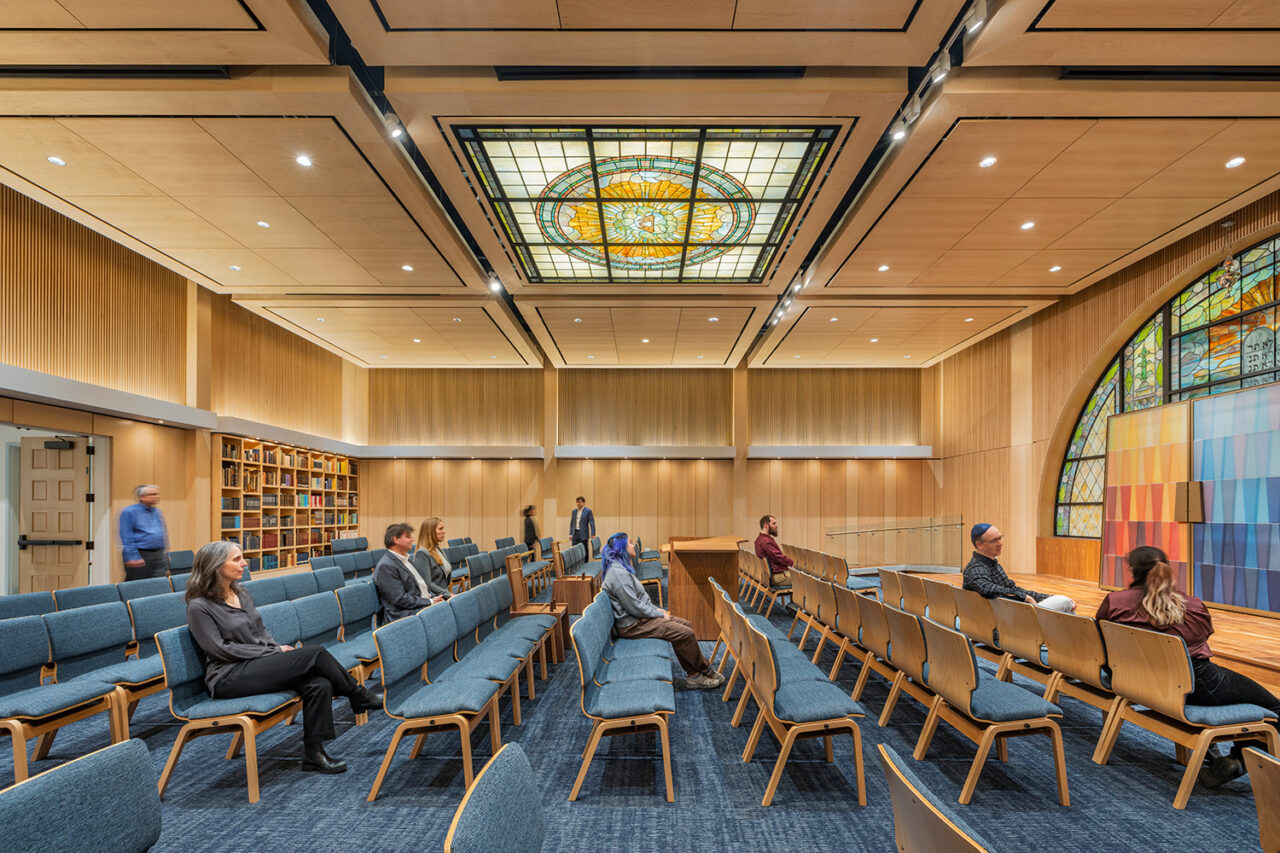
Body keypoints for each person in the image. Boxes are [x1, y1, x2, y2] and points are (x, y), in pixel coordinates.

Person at [185, 540, 382, 774]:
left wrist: (275, 647)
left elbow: (260, 630)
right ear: (216, 566)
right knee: (315, 653)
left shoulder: (241, 593)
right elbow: (220, 649)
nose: (244, 564)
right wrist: (273, 652)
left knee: (319, 684)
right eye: (236, 559)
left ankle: (314, 753)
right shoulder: (199, 607)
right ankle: (358, 695)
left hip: (258, 664)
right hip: (228, 676)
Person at [1097, 545, 1280, 789]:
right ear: (1168, 569)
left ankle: (1219, 751)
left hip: (1136, 682)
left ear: (1132, 571)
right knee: (1274, 706)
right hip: (1197, 686)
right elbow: (1203, 639)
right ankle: (1238, 758)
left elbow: (1101, 640)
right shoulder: (1192, 606)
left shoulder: (1115, 602)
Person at [599, 531, 723, 690]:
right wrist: (659, 614)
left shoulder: (621, 570)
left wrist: (655, 609)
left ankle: (695, 673)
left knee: (686, 625)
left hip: (638, 619)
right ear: (622, 548)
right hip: (632, 626)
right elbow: (635, 607)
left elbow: (638, 601)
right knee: (685, 633)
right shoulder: (618, 574)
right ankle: (702, 672)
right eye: (630, 542)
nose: (633, 545)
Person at [963, 524, 1075, 613]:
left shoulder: (992, 564)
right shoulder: (976, 568)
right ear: (979, 545)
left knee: (1063, 601)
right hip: (1005, 625)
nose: (1000, 543)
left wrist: (1048, 597)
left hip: (1008, 617)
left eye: (1000, 538)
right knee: (1065, 602)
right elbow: (986, 588)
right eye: (994, 540)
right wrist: (1024, 598)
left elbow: (1014, 589)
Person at [374, 522, 445, 623]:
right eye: (408, 537)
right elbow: (400, 599)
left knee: (449, 606)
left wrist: (433, 598)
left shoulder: (406, 560)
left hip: (418, 604)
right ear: (396, 540)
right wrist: (430, 602)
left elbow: (419, 587)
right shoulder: (386, 565)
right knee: (444, 613)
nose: (412, 539)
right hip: (402, 613)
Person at [119, 484, 169, 581]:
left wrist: (166, 554)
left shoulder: (157, 511)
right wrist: (132, 557)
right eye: (153, 494)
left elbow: (163, 534)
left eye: (157, 494)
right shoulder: (129, 512)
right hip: (140, 554)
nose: (157, 497)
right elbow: (126, 536)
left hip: (158, 555)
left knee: (159, 585)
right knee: (138, 588)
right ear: (142, 497)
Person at [411, 517, 455, 600]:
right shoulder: (422, 553)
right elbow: (427, 583)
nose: (444, 531)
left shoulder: (437, 549)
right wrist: (450, 595)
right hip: (435, 598)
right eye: (440, 529)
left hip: (443, 594)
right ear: (430, 532)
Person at [754, 514, 793, 587]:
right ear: (766, 525)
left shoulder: (759, 539)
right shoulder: (766, 542)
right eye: (773, 523)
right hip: (777, 578)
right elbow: (779, 558)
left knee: (803, 579)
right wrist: (792, 563)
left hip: (771, 576)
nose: (776, 526)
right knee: (807, 582)